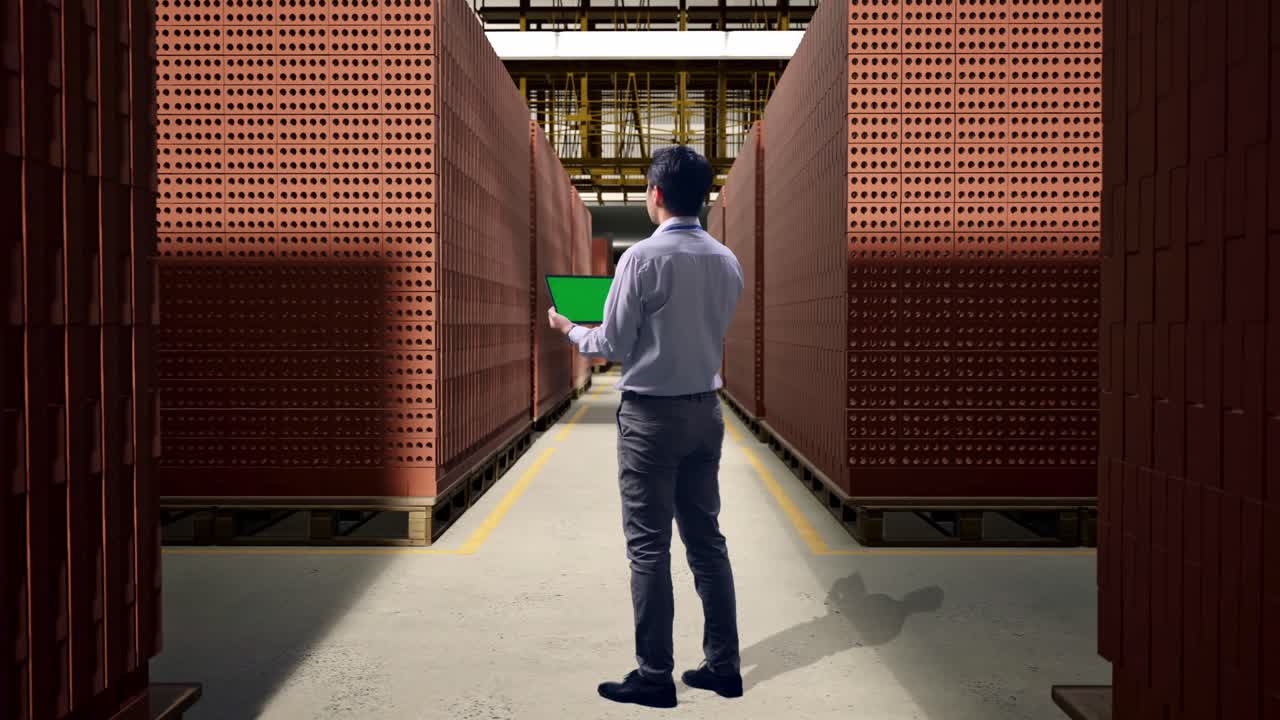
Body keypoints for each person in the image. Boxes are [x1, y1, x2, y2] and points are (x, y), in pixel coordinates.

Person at [547, 145, 745, 709]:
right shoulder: (727, 261)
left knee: (649, 549)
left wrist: (567, 326)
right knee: (707, 544)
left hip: (652, 419)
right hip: (706, 412)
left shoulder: (641, 260)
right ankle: (724, 667)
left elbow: (610, 344)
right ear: (701, 197)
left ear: (654, 196)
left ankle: (656, 675)